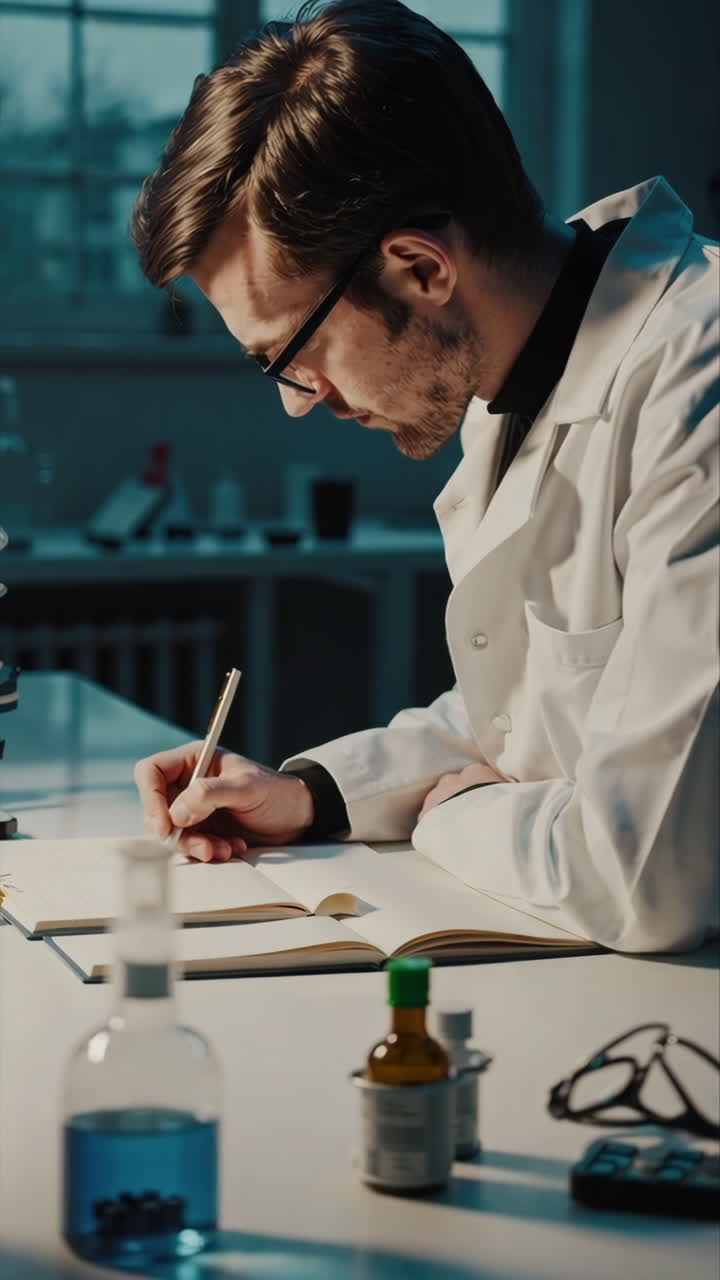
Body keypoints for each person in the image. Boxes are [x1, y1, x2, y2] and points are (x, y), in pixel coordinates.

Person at [131, 0, 719, 953]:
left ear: (419, 267)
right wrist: (313, 795)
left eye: (292, 355)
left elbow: (645, 871)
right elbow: (528, 720)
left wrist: (451, 817)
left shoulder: (702, 387)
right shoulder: (517, 381)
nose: (301, 399)